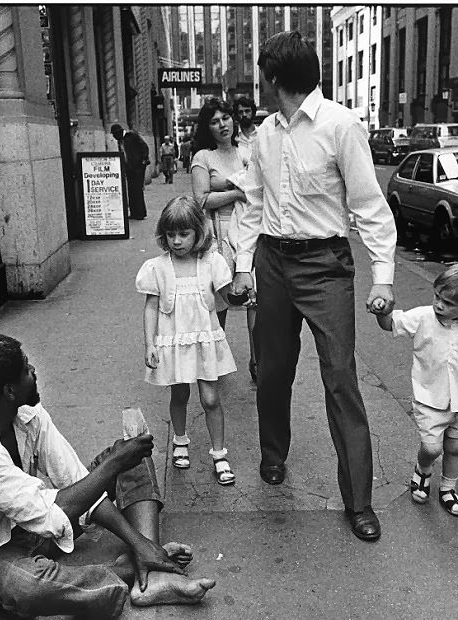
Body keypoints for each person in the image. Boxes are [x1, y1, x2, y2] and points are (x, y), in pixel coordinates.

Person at [0, 334, 215, 620]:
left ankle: (151, 569)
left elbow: (73, 478)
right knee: (27, 587)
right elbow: (51, 513)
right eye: (26, 369)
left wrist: (138, 541)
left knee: (131, 456)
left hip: (31, 520)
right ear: (9, 390)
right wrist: (112, 464)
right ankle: (126, 572)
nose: (33, 372)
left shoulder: (26, 412)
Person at [231, 31, 396, 542]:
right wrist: (243, 264)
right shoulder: (265, 133)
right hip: (274, 262)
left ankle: (359, 501)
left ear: (276, 78)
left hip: (325, 265)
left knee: (340, 378)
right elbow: (253, 203)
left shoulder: (341, 126)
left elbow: (369, 206)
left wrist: (383, 278)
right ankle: (273, 455)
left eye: (262, 76)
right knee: (273, 370)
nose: (259, 84)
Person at [374, 262, 458, 518]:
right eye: (437, 297)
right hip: (428, 398)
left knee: (455, 447)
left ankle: (448, 488)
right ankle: (423, 470)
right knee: (433, 448)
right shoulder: (424, 317)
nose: (439, 305)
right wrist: (382, 311)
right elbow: (390, 324)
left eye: (448, 302)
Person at [136, 196, 238, 486]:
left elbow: (228, 296)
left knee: (211, 398)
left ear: (198, 232)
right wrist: (150, 344)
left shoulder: (211, 262)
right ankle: (180, 440)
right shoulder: (157, 267)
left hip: (204, 339)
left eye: (184, 234)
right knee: (179, 394)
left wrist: (241, 289)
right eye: (171, 234)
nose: (177, 241)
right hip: (173, 340)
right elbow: (151, 306)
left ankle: (219, 452)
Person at [191, 96, 259, 383]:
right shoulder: (203, 157)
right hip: (216, 232)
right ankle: (215, 359)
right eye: (215, 121)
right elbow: (201, 199)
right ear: (208, 127)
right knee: (219, 300)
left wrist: (245, 194)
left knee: (254, 299)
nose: (223, 125)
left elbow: (258, 189)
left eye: (226, 118)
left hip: (247, 229)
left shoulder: (245, 152)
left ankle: (258, 360)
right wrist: (236, 192)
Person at [111, 123, 150, 220]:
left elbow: (144, 146)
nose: (114, 137)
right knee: (131, 190)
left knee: (137, 190)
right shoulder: (120, 140)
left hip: (138, 167)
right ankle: (134, 212)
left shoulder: (132, 136)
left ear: (119, 133)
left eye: (114, 135)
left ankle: (140, 213)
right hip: (129, 168)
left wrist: (143, 160)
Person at [233, 95, 259, 164]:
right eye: (240, 112)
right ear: (236, 115)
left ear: (253, 112)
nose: (244, 114)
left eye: (247, 111)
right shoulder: (233, 137)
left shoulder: (262, 134)